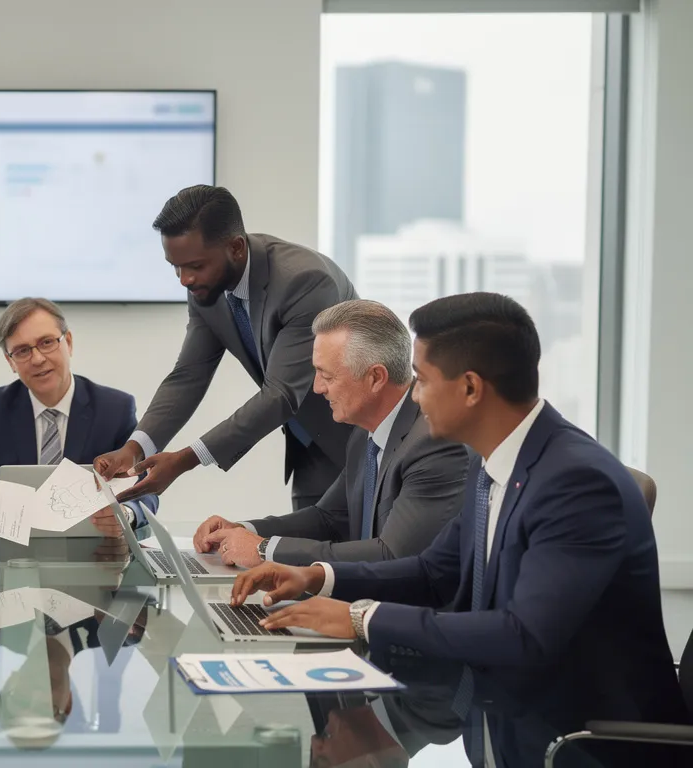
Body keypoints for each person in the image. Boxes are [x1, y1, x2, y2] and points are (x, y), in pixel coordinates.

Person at [230, 293, 687, 766]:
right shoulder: (495, 462)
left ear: (470, 388)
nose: (414, 396)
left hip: (581, 743)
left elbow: (524, 637)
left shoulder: (577, 483)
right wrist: (318, 577)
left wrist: (362, 617)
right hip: (502, 721)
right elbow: (434, 571)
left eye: (423, 381)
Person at [95, 185, 357, 510]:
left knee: (360, 556)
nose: (184, 280)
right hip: (310, 446)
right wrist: (134, 449)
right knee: (308, 551)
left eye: (194, 266)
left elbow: (281, 394)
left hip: (365, 441)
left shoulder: (305, 282)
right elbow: (188, 377)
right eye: (175, 266)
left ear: (235, 247)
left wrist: (186, 459)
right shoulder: (207, 287)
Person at [192, 299, 467, 567]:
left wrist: (264, 550)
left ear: (376, 378)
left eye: (327, 375)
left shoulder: (433, 444)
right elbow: (329, 518)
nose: (317, 388)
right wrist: (243, 530)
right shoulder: (364, 434)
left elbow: (393, 556)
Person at [0, 298, 159, 553]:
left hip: (96, 563)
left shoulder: (114, 409)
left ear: (68, 342)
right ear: (10, 362)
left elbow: (145, 490)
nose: (37, 359)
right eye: (22, 350)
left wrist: (125, 514)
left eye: (46, 343)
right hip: (10, 561)